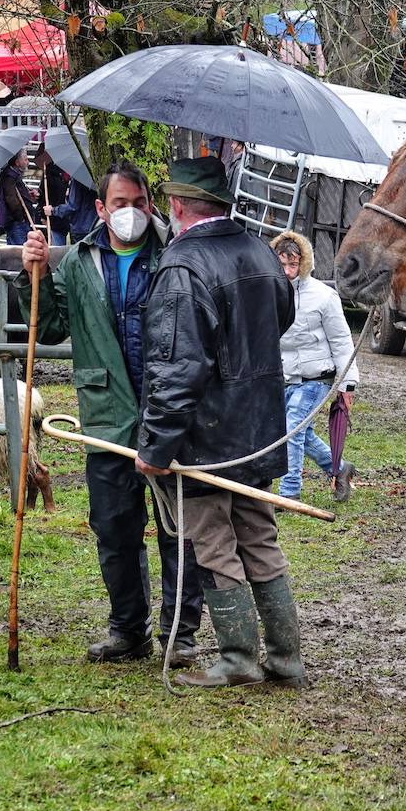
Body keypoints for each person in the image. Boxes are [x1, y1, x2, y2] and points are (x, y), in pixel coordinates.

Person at [18, 159, 205, 666]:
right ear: (101, 208)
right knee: (114, 528)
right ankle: (128, 629)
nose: (131, 213)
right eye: (120, 204)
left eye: (140, 203)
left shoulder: (175, 256)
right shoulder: (78, 263)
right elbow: (49, 325)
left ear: (153, 204)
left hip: (167, 417)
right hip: (105, 417)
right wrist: (29, 273)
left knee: (178, 527)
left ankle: (179, 634)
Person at [135, 157, 305, 690]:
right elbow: (284, 317)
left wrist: (156, 447)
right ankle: (286, 659)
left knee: (213, 543)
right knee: (259, 537)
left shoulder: (183, 266)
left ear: (178, 205)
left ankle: (237, 658)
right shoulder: (259, 249)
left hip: (206, 440)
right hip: (257, 430)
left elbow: (176, 365)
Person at [270, 230, 358, 502]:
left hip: (316, 378)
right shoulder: (268, 292)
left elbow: (342, 341)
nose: (287, 270)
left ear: (304, 262)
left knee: (292, 429)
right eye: (281, 264)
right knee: (301, 434)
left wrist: (347, 384)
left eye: (293, 264)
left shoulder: (324, 296)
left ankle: (289, 493)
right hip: (285, 377)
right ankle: (341, 469)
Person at [0, 149, 37, 245]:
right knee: (18, 253)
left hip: (17, 222)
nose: (28, 162)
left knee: (15, 251)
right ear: (17, 162)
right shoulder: (10, 177)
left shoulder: (13, 175)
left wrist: (28, 195)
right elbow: (11, 200)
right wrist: (21, 218)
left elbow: (16, 195)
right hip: (16, 223)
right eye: (26, 159)